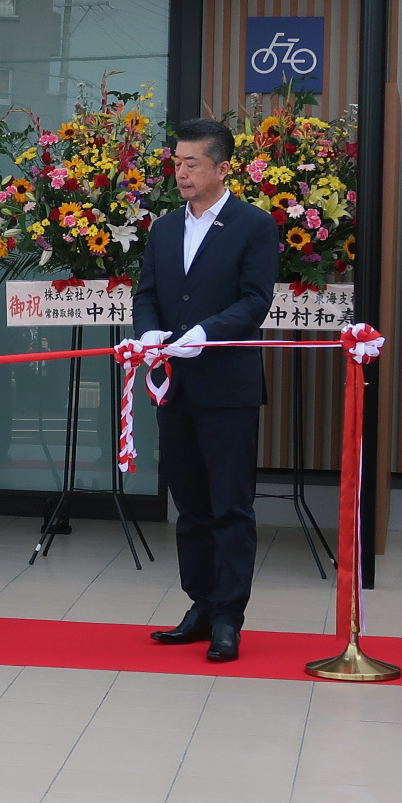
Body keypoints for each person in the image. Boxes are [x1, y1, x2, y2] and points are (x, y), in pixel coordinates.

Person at [132, 118, 277, 664]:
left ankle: (228, 617)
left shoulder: (252, 225)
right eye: (177, 162)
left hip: (227, 387)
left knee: (230, 506)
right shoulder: (165, 228)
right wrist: (148, 331)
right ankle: (199, 602)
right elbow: (147, 293)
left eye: (192, 163)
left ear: (221, 168)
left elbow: (254, 300)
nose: (181, 172)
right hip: (175, 385)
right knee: (188, 504)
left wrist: (204, 334)